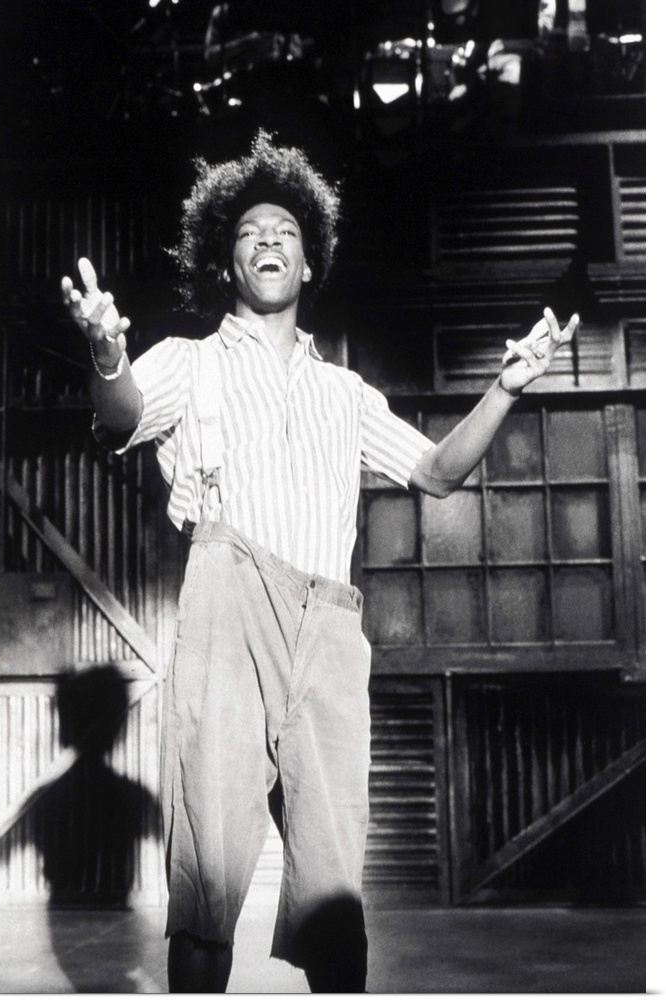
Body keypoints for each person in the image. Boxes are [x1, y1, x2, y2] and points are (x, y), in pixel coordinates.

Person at [61, 131, 579, 993]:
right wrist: (107, 353)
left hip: (330, 634)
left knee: (335, 895)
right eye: (249, 232)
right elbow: (121, 415)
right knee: (207, 883)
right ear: (225, 263)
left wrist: (506, 388)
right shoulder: (191, 363)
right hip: (227, 623)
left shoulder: (346, 391)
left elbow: (438, 473)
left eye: (286, 233)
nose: (268, 240)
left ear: (309, 264)